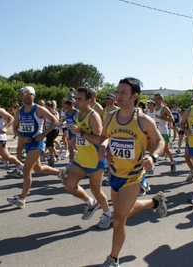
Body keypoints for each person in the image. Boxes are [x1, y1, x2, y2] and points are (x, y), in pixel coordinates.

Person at [98, 77, 167, 267]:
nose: (118, 96)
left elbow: (161, 141)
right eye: (117, 91)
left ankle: (113, 259)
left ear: (134, 96)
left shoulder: (143, 120)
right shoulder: (111, 117)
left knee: (118, 218)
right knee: (122, 212)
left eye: (123, 93)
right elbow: (105, 137)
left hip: (134, 175)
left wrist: (153, 157)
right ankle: (154, 202)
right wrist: (104, 147)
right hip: (115, 173)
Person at [60, 87, 112, 229]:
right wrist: (73, 141)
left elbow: (101, 139)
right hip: (81, 158)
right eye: (76, 98)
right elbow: (78, 134)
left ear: (89, 101)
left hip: (95, 160)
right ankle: (90, 202)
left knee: (96, 190)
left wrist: (81, 133)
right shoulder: (77, 115)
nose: (76, 101)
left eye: (79, 99)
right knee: (69, 185)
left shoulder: (93, 116)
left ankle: (107, 213)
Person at [6, 86, 62, 209]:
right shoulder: (19, 111)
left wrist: (44, 134)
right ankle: (61, 173)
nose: (25, 96)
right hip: (27, 142)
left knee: (26, 170)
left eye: (28, 94)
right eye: (23, 94)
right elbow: (15, 127)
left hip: (37, 143)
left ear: (33, 96)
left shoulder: (39, 109)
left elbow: (55, 121)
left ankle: (22, 199)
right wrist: (21, 137)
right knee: (38, 168)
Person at [152, 93, 176, 173]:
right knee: (154, 148)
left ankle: (172, 162)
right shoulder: (154, 108)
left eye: (158, 99)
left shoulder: (165, 108)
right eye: (155, 99)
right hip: (156, 131)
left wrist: (162, 117)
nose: (156, 101)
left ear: (162, 100)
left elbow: (172, 119)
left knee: (166, 149)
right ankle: (151, 166)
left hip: (164, 132)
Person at [44, 100, 60, 166]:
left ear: (50, 107)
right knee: (51, 144)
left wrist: (53, 115)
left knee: (48, 144)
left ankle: (52, 157)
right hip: (48, 130)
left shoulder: (54, 112)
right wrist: (44, 130)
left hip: (54, 130)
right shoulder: (45, 112)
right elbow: (44, 121)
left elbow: (57, 120)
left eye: (47, 107)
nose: (45, 108)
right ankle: (56, 156)